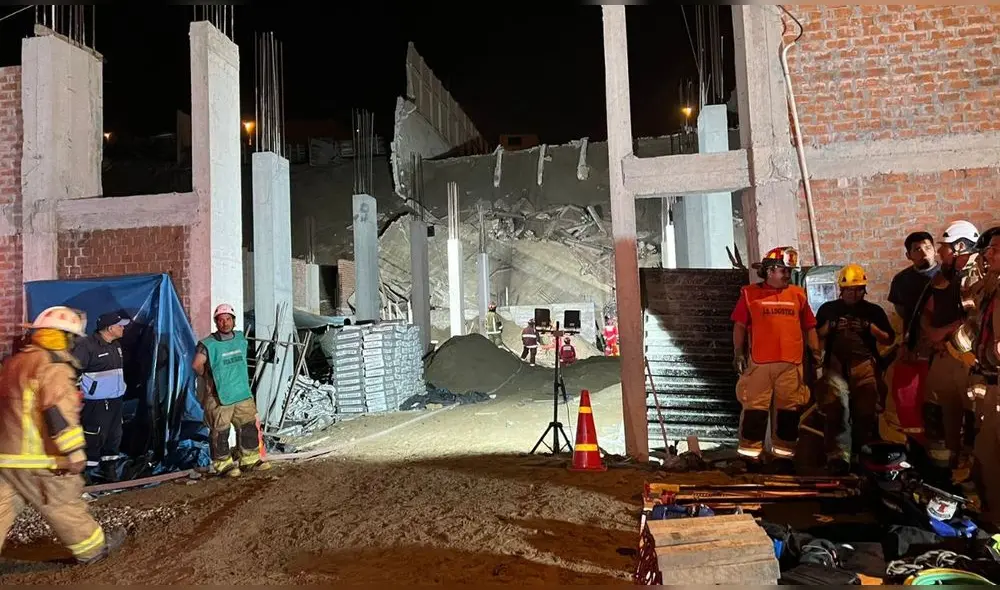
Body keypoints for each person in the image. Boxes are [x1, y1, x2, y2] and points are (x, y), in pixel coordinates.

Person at [0, 307, 124, 564]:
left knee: (2, 507)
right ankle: (93, 550)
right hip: (39, 459)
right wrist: (74, 451)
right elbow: (57, 411)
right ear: (64, 336)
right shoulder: (53, 366)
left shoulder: (15, 363)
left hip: (6, 457)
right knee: (63, 504)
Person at [731, 246, 822, 463]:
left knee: (788, 413)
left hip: (791, 365)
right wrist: (738, 353)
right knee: (755, 411)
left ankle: (784, 457)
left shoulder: (798, 295)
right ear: (770, 271)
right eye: (784, 271)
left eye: (789, 271)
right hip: (759, 364)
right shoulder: (749, 294)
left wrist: (816, 352)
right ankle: (750, 456)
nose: (788, 275)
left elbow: (809, 327)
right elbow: (740, 326)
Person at [814, 264, 895, 472]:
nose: (854, 294)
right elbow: (815, 335)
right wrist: (831, 326)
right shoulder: (828, 309)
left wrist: (869, 327)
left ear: (864, 290)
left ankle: (862, 455)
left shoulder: (873, 311)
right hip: (835, 367)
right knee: (837, 410)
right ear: (841, 289)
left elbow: (888, 339)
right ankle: (838, 458)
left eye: (858, 289)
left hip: (865, 367)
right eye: (850, 290)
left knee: (865, 413)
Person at [918, 220, 983, 474]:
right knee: (944, 413)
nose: (940, 252)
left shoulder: (974, 275)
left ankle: (966, 472)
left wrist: (943, 336)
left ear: (960, 247)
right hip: (947, 355)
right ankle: (948, 468)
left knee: (971, 418)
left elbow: (975, 319)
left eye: (944, 247)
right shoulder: (950, 276)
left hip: (965, 359)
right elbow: (929, 310)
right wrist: (934, 334)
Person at [192, 304, 270, 477]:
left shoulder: (240, 338)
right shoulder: (208, 344)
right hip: (220, 396)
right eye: (221, 320)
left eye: (228, 319)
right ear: (216, 322)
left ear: (233, 321)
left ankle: (250, 460)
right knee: (220, 431)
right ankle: (223, 465)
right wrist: (208, 378)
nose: (225, 323)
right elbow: (197, 364)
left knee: (248, 427)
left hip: (241, 393)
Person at [72, 311, 130, 483]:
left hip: (115, 402)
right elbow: (73, 372)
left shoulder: (116, 346)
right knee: (93, 437)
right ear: (110, 328)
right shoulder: (86, 346)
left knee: (114, 436)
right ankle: (86, 476)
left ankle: (109, 471)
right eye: (120, 326)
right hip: (96, 404)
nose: (123, 329)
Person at [971, 227, 1000, 520]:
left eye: (995, 250)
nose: (988, 254)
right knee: (985, 459)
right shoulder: (991, 289)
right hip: (990, 385)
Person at [889, 231, 939, 334]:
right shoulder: (901, 279)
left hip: (942, 334)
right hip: (914, 335)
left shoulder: (948, 275)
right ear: (908, 255)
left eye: (928, 248)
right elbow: (901, 310)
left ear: (935, 250)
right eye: (917, 250)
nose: (924, 254)